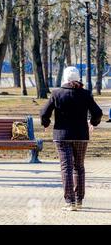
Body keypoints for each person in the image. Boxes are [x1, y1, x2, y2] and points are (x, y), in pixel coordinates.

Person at [40, 66, 102, 211]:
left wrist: (46, 123)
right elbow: (98, 112)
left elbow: (44, 113)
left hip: (62, 136)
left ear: (65, 79)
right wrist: (93, 122)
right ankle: (79, 201)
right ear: (78, 78)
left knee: (66, 167)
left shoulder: (57, 93)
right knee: (79, 167)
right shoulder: (86, 94)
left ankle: (70, 202)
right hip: (81, 135)